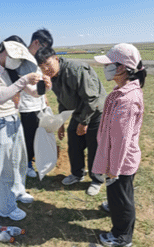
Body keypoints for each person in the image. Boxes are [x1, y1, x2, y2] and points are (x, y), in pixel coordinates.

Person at [0, 38, 42, 221]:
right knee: (3, 168)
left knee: (19, 161)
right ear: (5, 51)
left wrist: (44, 87)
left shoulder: (12, 70)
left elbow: (33, 92)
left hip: (13, 119)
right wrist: (23, 80)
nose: (17, 62)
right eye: (16, 58)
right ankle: (6, 208)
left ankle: (18, 192)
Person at [92, 44, 146, 247]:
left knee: (122, 198)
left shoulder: (127, 100)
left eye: (109, 64)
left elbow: (121, 140)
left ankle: (122, 236)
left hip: (120, 161)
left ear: (122, 67)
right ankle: (114, 206)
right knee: (118, 194)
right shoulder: (122, 91)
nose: (105, 68)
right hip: (116, 156)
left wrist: (114, 170)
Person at [36, 45, 107, 195]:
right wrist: (61, 122)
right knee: (74, 144)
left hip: (95, 113)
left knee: (94, 147)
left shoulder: (76, 70)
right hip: (78, 113)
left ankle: (96, 180)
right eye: (42, 67)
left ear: (56, 58)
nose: (46, 69)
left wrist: (84, 122)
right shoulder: (53, 77)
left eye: (48, 64)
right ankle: (77, 174)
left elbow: (92, 99)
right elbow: (62, 100)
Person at [5, 28, 53, 178]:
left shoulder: (37, 60)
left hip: (40, 103)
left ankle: (36, 157)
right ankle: (27, 164)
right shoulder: (19, 59)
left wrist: (45, 98)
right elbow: (13, 80)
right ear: (36, 42)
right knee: (29, 136)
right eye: (44, 47)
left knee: (40, 134)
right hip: (27, 106)